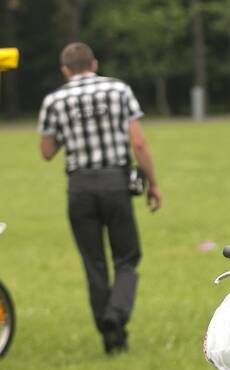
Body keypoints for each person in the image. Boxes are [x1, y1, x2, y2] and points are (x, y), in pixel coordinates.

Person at [38, 42, 161, 354]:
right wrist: (153, 184)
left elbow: (47, 151)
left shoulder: (54, 99)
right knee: (127, 257)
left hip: (79, 188)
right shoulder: (118, 90)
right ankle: (117, 314)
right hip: (115, 183)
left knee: (94, 263)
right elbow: (139, 143)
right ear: (93, 64)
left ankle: (110, 337)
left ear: (65, 70)